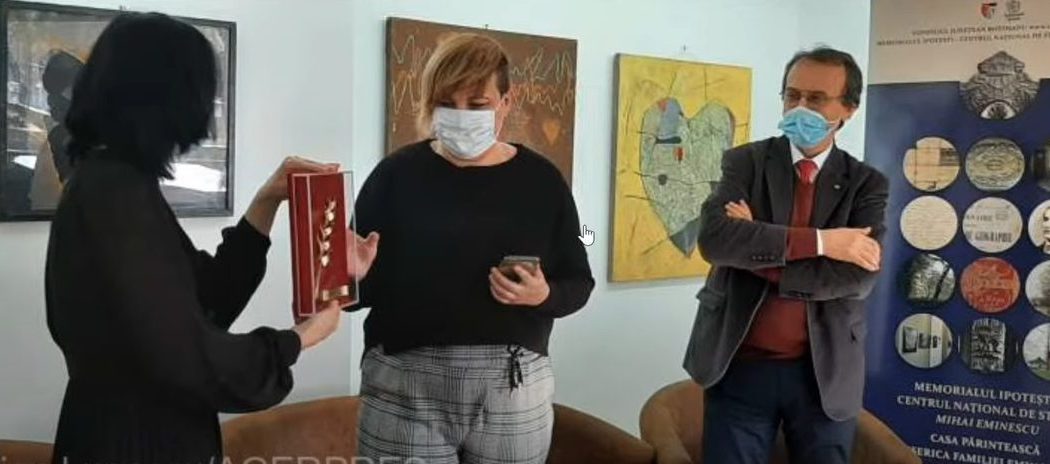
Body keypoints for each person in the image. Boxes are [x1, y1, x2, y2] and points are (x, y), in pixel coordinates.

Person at [44, 13, 377, 464]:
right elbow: (184, 351)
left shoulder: (116, 185)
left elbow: (204, 298)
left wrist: (266, 202)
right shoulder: (113, 194)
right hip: (135, 445)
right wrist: (297, 339)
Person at [349, 33, 594, 464]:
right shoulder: (394, 176)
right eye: (447, 103)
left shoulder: (543, 182)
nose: (462, 116)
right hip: (403, 387)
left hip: (513, 391)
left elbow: (579, 281)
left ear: (506, 101)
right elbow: (351, 292)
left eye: (478, 104)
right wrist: (348, 277)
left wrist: (543, 294)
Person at [682, 46, 889, 464]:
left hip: (823, 372)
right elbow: (716, 241)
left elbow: (856, 278)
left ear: (848, 109)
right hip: (738, 364)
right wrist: (825, 243)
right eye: (792, 95)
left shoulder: (866, 183)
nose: (800, 107)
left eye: (816, 98)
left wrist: (758, 250)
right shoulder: (746, 162)